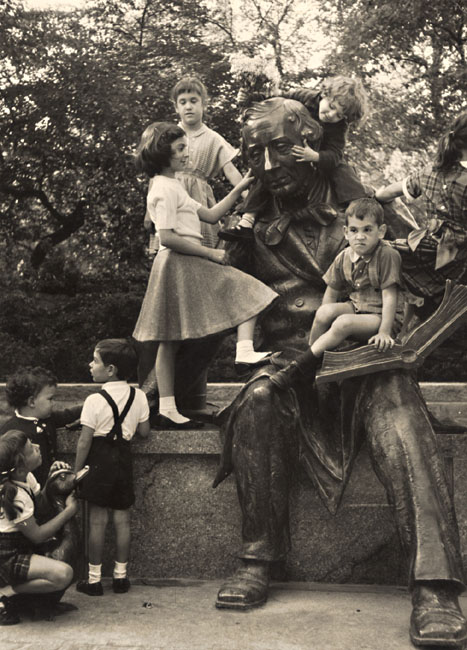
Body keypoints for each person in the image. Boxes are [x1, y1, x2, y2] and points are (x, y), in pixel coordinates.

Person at [212, 96, 466, 648]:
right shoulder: (251, 221)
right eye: (258, 155)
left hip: (366, 358)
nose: (271, 166)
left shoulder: (363, 206)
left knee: (401, 412)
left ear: (309, 144)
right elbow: (216, 296)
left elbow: (422, 276)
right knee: (256, 401)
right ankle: (258, 560)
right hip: (290, 360)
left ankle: (434, 586)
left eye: (281, 149)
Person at [132, 122, 277, 429]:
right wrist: (211, 254)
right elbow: (168, 237)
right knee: (247, 290)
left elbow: (211, 215)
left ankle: (170, 405)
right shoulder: (162, 188)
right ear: (163, 154)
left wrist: (240, 188)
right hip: (178, 261)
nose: (188, 153)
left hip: (181, 261)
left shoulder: (173, 185)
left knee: (169, 341)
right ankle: (242, 351)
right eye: (181, 149)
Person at [270, 197, 405, 389]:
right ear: (346, 232)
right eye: (354, 230)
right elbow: (331, 291)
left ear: (381, 231)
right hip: (358, 308)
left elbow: (390, 296)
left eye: (367, 230)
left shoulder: (388, 255)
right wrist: (323, 321)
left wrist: (384, 332)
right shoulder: (345, 257)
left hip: (382, 316)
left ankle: (298, 368)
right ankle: (312, 359)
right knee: (324, 311)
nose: (360, 236)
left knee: (343, 323)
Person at [219, 75, 370, 242]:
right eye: (332, 106)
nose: (331, 114)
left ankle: (358, 209)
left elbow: (335, 154)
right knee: (264, 176)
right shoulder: (304, 97)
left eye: (339, 115)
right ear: (325, 94)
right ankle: (247, 220)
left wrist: (316, 157)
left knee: (343, 170)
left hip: (320, 155)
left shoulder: (338, 127)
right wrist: (250, 99)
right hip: (297, 151)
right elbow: (274, 101)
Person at [74, 339, 150, 596]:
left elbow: (85, 440)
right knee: (122, 521)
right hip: (123, 458)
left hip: (99, 459)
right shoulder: (138, 395)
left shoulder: (94, 400)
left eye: (95, 361)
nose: (90, 365)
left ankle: (94, 581)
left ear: (111, 370)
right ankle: (121, 577)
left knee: (97, 522)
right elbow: (144, 431)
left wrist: (76, 472)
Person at [375, 111, 467, 317]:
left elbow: (387, 192)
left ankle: (411, 317)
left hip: (428, 246)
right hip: (459, 258)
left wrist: (377, 196)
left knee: (390, 252)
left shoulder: (430, 171)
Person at [144, 75, 246, 252]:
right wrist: (148, 211)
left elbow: (230, 170)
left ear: (203, 104)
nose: (188, 106)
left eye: (194, 101)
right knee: (169, 243)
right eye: (182, 102)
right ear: (176, 107)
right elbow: (156, 173)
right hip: (169, 196)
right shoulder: (167, 136)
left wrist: (247, 193)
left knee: (199, 245)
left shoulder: (213, 138)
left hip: (198, 199)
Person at [0, 430, 78, 625]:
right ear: (19, 467)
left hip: (22, 546)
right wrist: (69, 511)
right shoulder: (15, 494)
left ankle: (34, 601)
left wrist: (52, 478)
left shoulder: (26, 478)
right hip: (8, 555)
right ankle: (7, 591)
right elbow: (38, 535)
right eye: (31, 449)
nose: (37, 447)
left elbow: (39, 504)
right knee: (63, 574)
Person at [0, 367, 82, 487]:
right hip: (27, 489)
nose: (53, 403)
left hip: (50, 487)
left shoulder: (47, 419)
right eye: (50, 399)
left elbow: (68, 415)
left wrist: (91, 404)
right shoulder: (12, 431)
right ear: (32, 402)